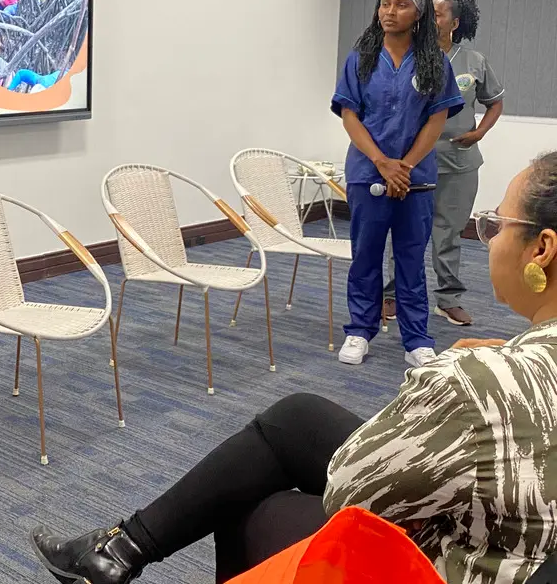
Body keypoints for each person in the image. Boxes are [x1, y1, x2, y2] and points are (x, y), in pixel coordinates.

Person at [29, 152, 557, 584]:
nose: (488, 236)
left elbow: (351, 492)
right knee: (296, 417)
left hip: (461, 561)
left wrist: (445, 376)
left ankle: (118, 553)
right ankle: (117, 551)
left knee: (246, 500)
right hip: (525, 542)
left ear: (542, 249)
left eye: (496, 224)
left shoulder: (483, 382)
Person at [331, 0, 463, 368]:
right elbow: (350, 116)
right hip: (367, 173)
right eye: (385, 4)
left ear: (418, 14)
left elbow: (436, 120)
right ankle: (359, 330)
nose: (390, 11)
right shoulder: (361, 59)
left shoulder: (434, 63)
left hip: (415, 179)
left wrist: (404, 166)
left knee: (410, 259)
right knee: (365, 256)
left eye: (401, 5)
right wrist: (382, 162)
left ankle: (417, 339)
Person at [383, 0, 505, 327]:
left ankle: (448, 299)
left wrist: (480, 132)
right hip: (411, 162)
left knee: (448, 234)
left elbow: (494, 102)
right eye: (428, 13)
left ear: (455, 22)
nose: (430, 19)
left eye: (438, 14)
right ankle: (392, 295)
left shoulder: (474, 61)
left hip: (459, 163)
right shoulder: (407, 55)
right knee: (405, 231)